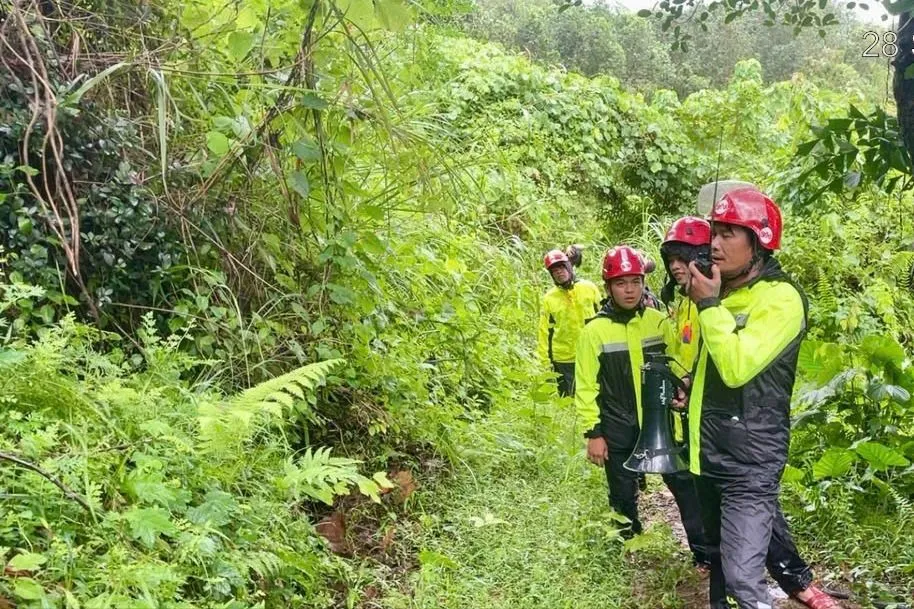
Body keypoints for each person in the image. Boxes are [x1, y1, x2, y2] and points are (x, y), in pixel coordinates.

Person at [683, 190, 840, 609]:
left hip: (749, 464)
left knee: (741, 580)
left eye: (729, 233)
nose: (714, 244)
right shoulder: (725, 293)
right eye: (714, 232)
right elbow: (710, 370)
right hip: (707, 455)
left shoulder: (781, 298)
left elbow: (736, 367)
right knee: (720, 563)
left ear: (759, 241)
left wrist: (709, 306)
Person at [575, 245, 709, 567]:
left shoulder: (658, 322)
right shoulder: (594, 331)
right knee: (622, 495)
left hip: (660, 424)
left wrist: (683, 389)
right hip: (617, 426)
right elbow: (585, 386)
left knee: (684, 485)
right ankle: (628, 551)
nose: (630, 289)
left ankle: (705, 553)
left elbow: (677, 363)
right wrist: (593, 433)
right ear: (608, 287)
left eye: (635, 281)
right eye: (621, 283)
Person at [538, 249, 602, 397]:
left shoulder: (589, 288)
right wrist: (545, 362)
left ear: (569, 266)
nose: (559, 273)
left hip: (591, 353)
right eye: (554, 271)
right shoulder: (549, 298)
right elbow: (544, 331)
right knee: (569, 400)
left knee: (595, 395)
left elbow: (604, 317)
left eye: (561, 267)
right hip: (564, 358)